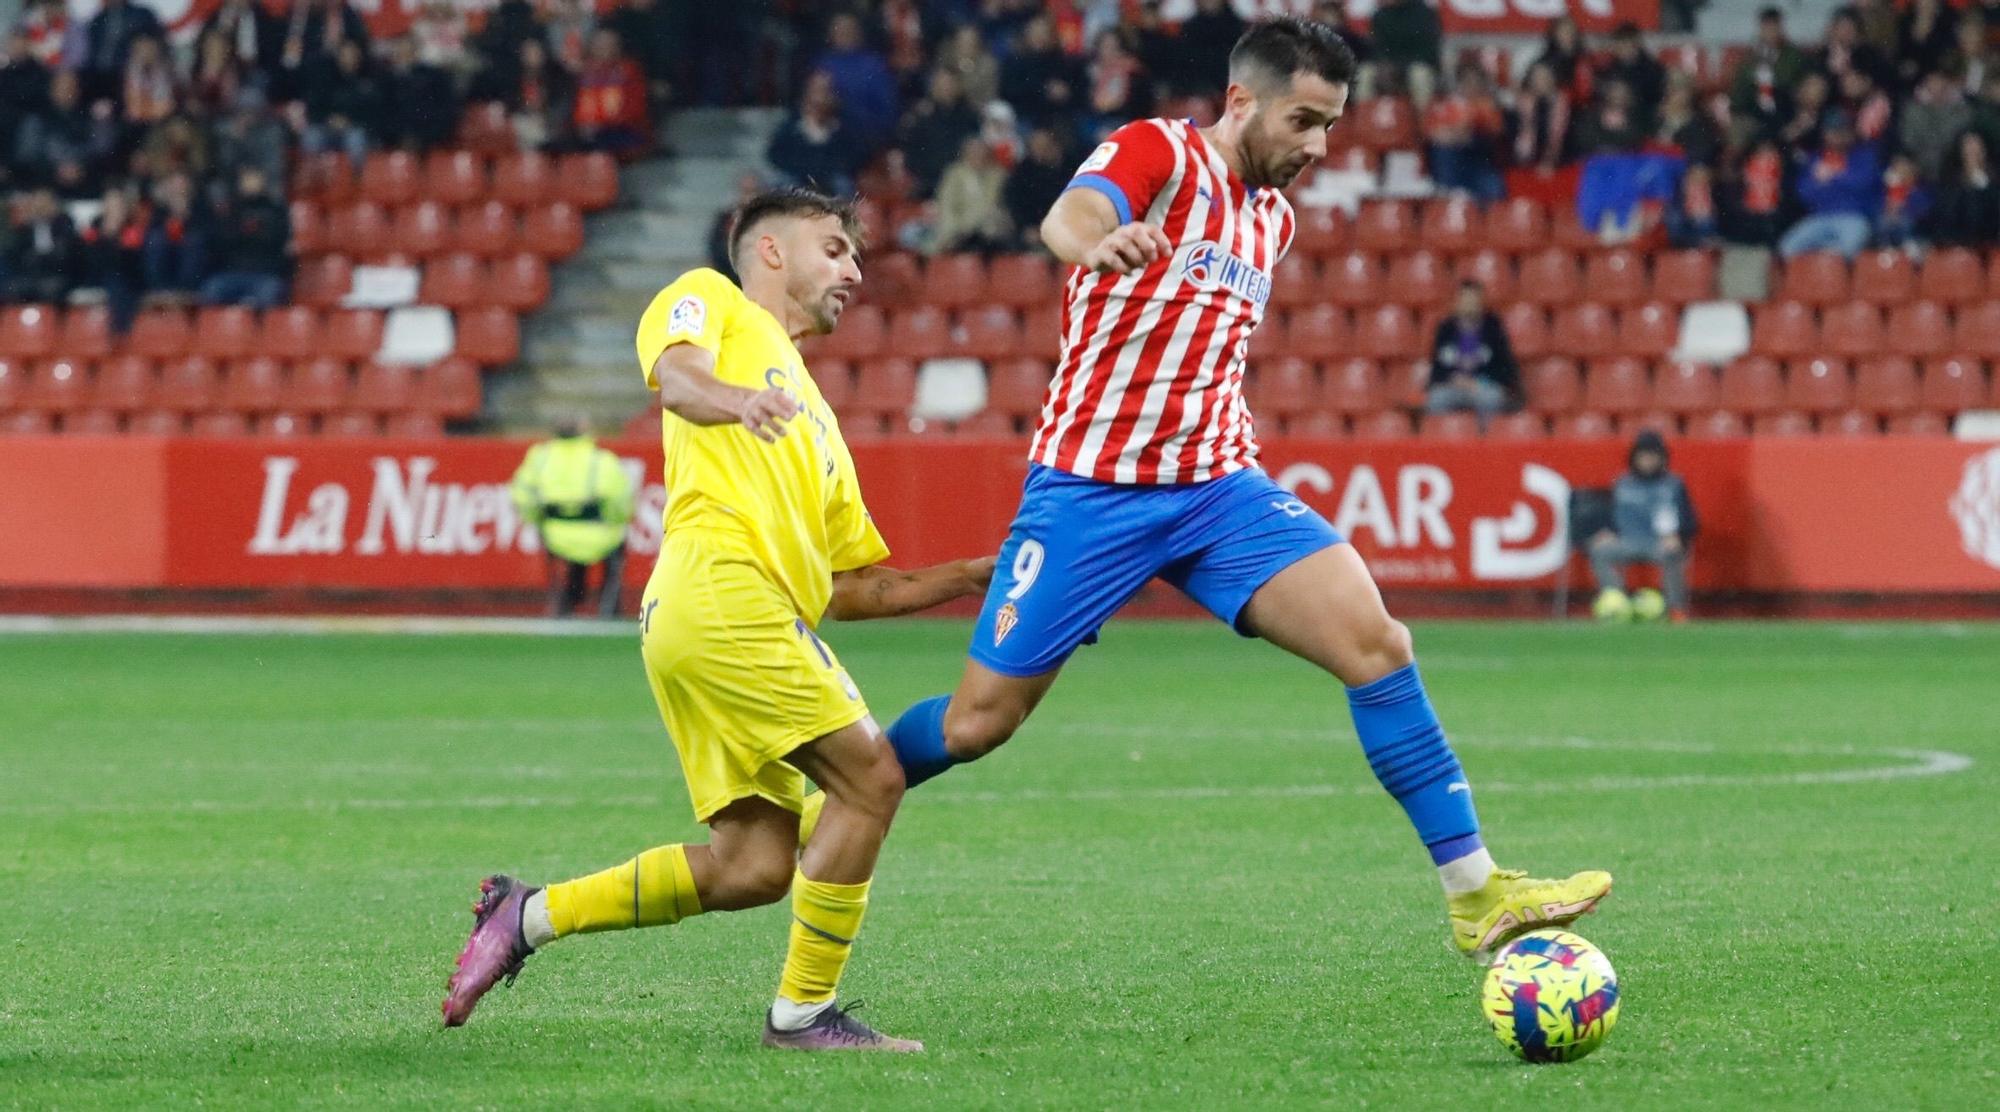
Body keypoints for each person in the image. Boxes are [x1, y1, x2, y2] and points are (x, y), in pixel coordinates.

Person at [794, 17, 1611, 965]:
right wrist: (1096, 244)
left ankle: (1476, 894)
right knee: (979, 724)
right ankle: (848, 783)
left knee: (1379, 644)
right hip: (1091, 491)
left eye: (1331, 126)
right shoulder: (1162, 153)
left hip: (1218, 485)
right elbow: (1073, 212)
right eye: (1303, 120)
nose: (1317, 146)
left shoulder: (1274, 216)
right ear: (1240, 101)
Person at [442, 187, 996, 1049]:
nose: (854, 270)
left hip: (720, 617)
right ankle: (803, 1017)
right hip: (721, 596)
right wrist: (737, 400)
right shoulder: (715, 303)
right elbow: (677, 377)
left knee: (755, 868)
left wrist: (969, 577)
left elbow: (852, 587)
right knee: (872, 778)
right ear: (771, 250)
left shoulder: (816, 418)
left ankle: (527, 916)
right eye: (835, 248)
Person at [509, 420, 637, 619]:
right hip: (600, 536)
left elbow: (522, 495)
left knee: (570, 558)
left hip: (556, 535)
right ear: (584, 432)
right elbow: (620, 501)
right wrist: (614, 521)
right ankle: (608, 607)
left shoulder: (540, 458)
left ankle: (565, 604)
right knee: (616, 547)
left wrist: (538, 520)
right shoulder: (601, 459)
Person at [1590, 430, 1698, 624]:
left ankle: (1676, 610)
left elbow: (1690, 521)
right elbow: (1612, 515)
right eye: (1643, 456)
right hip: (1627, 541)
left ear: (1661, 458)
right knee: (1599, 550)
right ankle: (1617, 601)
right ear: (1634, 458)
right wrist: (1609, 532)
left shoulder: (1673, 485)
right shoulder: (1622, 483)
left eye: (1652, 456)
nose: (1647, 461)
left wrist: (1679, 537)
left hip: (1659, 544)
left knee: (1672, 555)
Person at [1779, 111, 1882, 259]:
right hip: (1819, 217)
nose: (1838, 136)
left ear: (1851, 132)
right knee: (1787, 248)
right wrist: (1821, 183)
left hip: (1853, 217)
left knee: (1850, 246)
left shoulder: (1865, 156)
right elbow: (1804, 193)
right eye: (1832, 131)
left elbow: (1863, 183)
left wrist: (1833, 177)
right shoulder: (1815, 158)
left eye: (1843, 130)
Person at [1426, 281, 1518, 426]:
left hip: (1483, 385)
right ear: (1457, 302)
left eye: (1474, 299)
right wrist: (1452, 378)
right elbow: (1437, 367)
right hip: (1453, 384)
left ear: (1481, 301)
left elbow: (1504, 366)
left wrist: (1480, 382)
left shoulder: (1493, 328)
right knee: (1436, 399)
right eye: (1466, 299)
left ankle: (1486, 444)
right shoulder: (1445, 329)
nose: (1470, 303)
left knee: (1491, 398)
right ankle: (1442, 443)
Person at [199, 165, 290, 307]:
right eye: (246, 179)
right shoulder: (230, 210)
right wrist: (247, 232)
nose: (250, 183)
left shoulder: (275, 209)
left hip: (264, 274)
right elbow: (220, 241)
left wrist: (246, 232)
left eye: (254, 178)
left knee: (270, 292)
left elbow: (275, 239)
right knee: (212, 289)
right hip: (232, 273)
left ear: (263, 181)